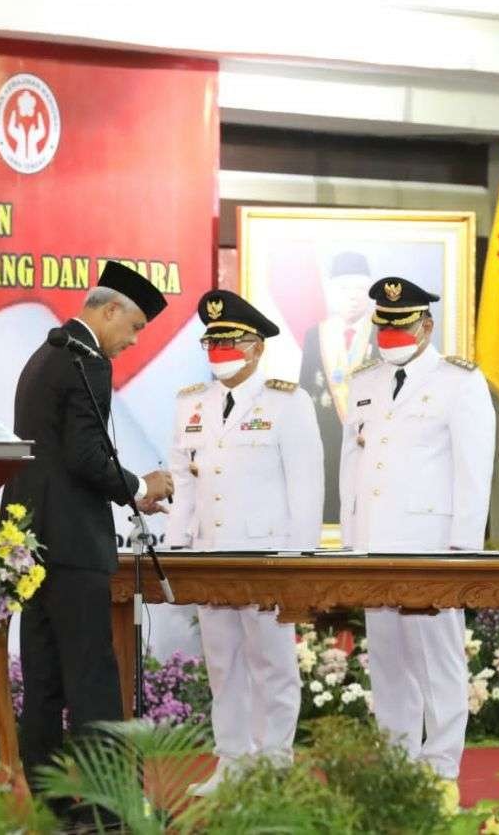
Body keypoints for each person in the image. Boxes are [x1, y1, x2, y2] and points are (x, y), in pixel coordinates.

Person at [2, 261, 174, 805]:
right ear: (109, 310)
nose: (133, 340)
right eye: (136, 326)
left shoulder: (45, 355)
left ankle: (53, 807)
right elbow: (84, 457)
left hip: (31, 544)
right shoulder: (86, 362)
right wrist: (138, 484)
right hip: (73, 545)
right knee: (93, 682)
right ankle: (110, 808)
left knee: (46, 683)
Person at [339, 276, 495, 796]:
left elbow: (475, 470)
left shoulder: (459, 381)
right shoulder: (363, 381)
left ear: (426, 325)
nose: (389, 336)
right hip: (374, 542)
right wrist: (350, 540)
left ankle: (442, 767)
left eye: (400, 326)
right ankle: (398, 763)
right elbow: (351, 464)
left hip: (431, 545)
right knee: (387, 659)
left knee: (438, 658)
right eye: (382, 326)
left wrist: (464, 547)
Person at [166, 289, 323, 795]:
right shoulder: (192, 402)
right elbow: (183, 482)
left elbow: (306, 484)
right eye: (211, 341)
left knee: (272, 663)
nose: (218, 351)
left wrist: (299, 563)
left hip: (267, 556)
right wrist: (176, 550)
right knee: (222, 663)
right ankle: (232, 761)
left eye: (228, 341)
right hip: (210, 554)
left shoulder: (287, 402)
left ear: (255, 346)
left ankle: (274, 762)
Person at [299, 251, 376, 522]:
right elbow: (304, 394)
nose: (353, 296)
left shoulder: (381, 333)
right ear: (332, 292)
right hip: (325, 446)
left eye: (360, 288)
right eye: (345, 288)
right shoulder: (316, 335)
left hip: (373, 447)